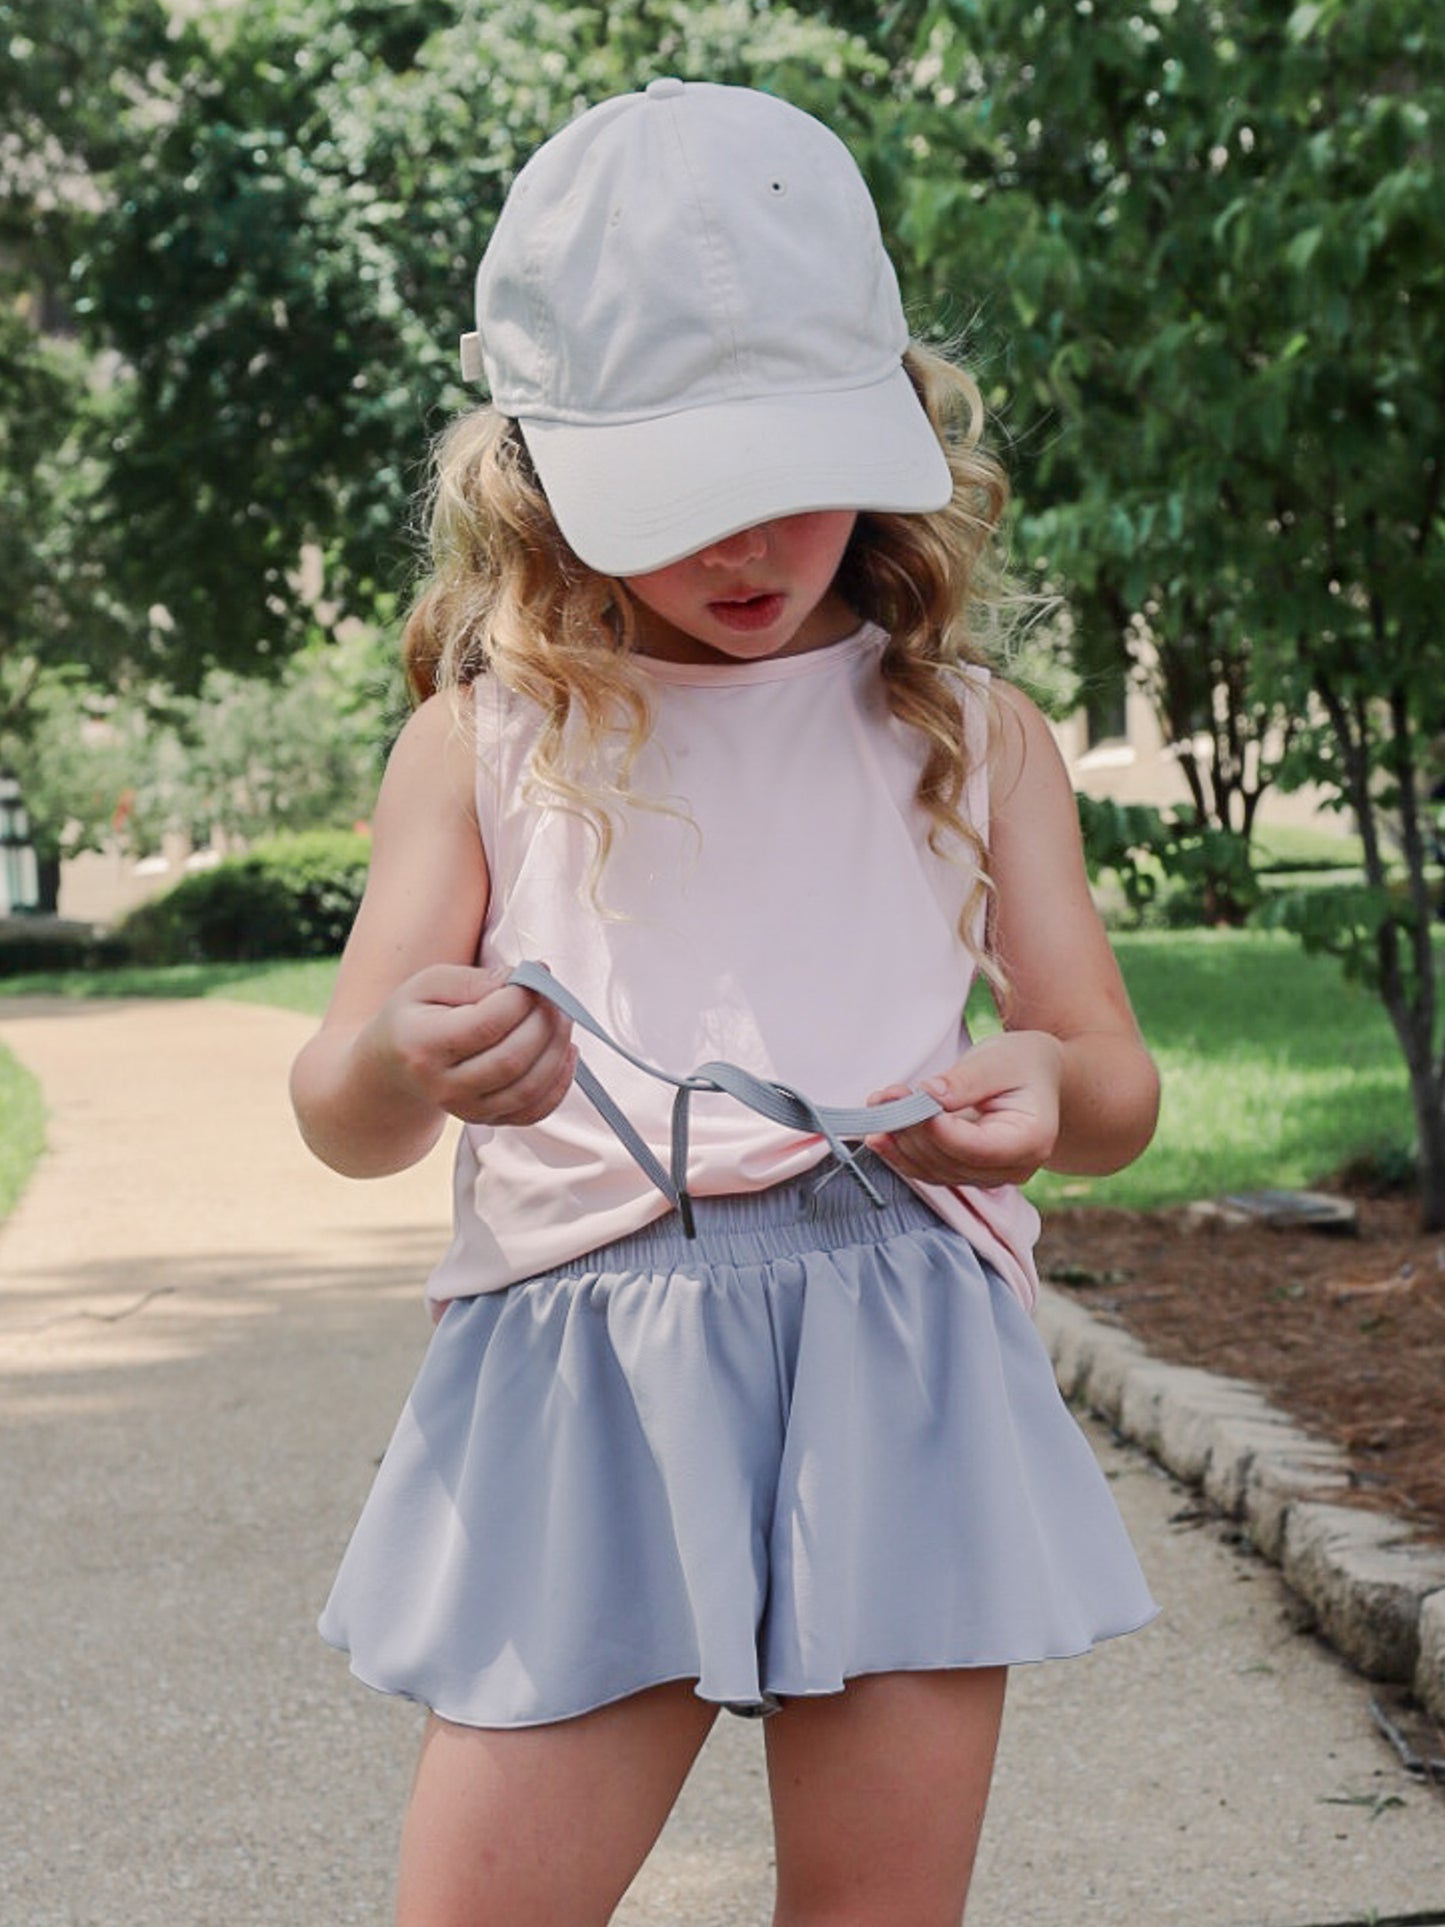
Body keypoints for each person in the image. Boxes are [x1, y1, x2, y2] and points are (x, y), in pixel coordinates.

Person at [291, 78, 1161, 1927]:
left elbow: (1109, 1079)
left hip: (903, 1346)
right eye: (685, 497)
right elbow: (342, 1112)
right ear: (540, 476)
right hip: (591, 1365)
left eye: (799, 480)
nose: (753, 549)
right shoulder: (481, 744)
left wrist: (1040, 1088)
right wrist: (402, 1059)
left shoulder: (972, 732)